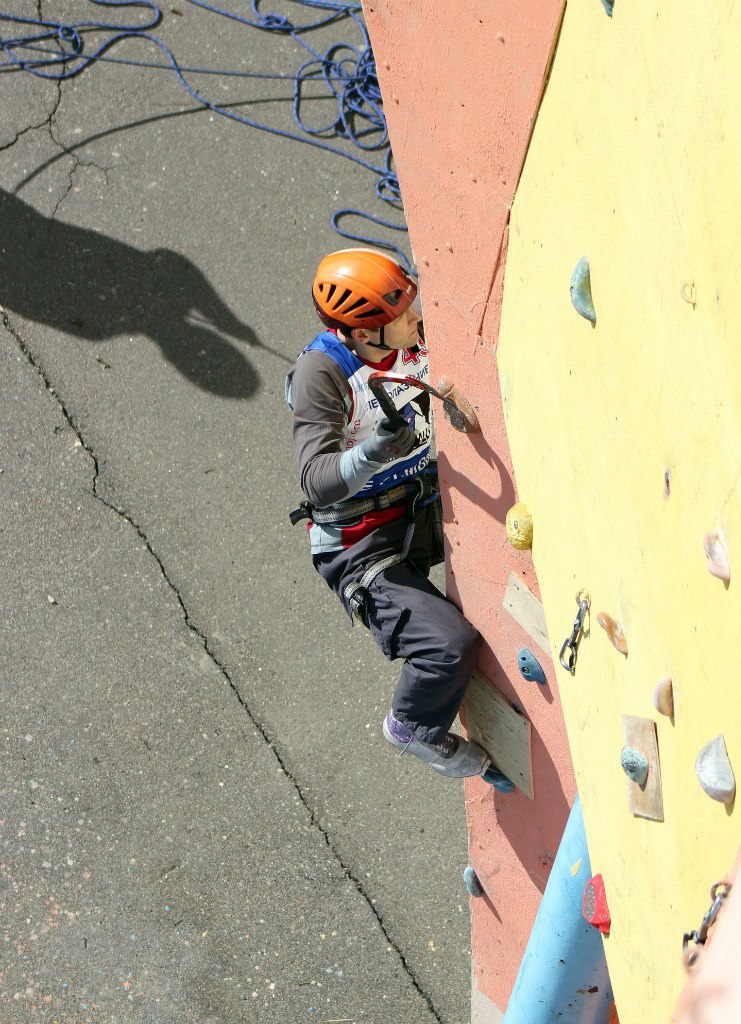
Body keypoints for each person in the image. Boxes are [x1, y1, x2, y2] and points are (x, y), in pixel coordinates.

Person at [286, 248, 512, 788]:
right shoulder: (323, 373)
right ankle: (413, 725)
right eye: (403, 317)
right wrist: (375, 452)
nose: (418, 320)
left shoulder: (409, 335)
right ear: (364, 335)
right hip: (361, 540)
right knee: (448, 645)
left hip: (420, 504)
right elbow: (315, 479)